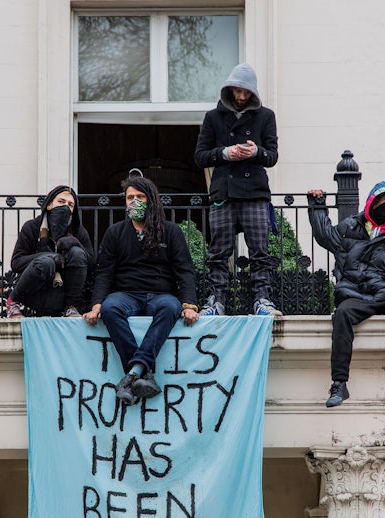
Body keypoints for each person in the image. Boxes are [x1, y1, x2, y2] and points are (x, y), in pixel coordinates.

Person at [307, 181, 385, 408]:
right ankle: (339, 384)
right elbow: (325, 235)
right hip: (356, 294)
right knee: (342, 314)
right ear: (372, 203)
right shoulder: (350, 228)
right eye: (384, 201)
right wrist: (317, 205)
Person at [83, 175, 200, 406]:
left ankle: (130, 376)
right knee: (110, 308)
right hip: (126, 295)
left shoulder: (171, 231)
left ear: (151, 200)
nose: (134, 201)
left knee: (170, 307)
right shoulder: (115, 232)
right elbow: (104, 272)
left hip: (161, 295)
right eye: (130, 197)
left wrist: (189, 304)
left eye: (140, 197)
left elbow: (184, 270)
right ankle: (142, 374)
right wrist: (96, 305)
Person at [194, 63, 281, 317]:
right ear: (230, 89)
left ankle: (262, 300)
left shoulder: (266, 116)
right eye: (238, 92)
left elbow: (273, 156)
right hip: (224, 193)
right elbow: (200, 156)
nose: (242, 98)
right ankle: (216, 301)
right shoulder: (213, 117)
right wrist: (225, 153)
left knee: (260, 252)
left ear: (252, 93)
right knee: (218, 253)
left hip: (254, 193)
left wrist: (256, 152)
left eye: (247, 93)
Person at [7, 185, 93, 318]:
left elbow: (91, 263)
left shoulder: (78, 231)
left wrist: (76, 243)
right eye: (61, 201)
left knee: (77, 253)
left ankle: (70, 307)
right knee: (46, 262)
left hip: (63, 294)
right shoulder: (32, 227)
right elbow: (16, 262)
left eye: (70, 205)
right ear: (49, 205)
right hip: (36, 293)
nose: (65, 207)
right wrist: (51, 256)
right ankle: (13, 302)